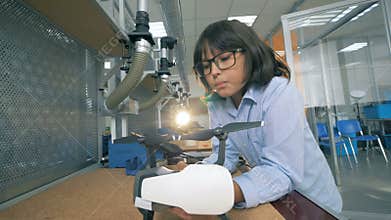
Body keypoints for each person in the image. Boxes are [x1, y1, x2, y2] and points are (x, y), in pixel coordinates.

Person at [171, 19, 342, 218]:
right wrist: (194, 176)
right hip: (276, 198)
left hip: (314, 203)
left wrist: (216, 194)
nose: (214, 72)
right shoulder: (217, 103)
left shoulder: (279, 93)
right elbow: (226, 156)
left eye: (224, 58)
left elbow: (282, 172)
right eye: (206, 66)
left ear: (250, 53)